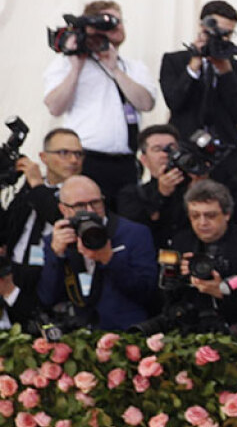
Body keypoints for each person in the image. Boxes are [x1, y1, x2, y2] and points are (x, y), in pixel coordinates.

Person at [42, 0, 156, 201]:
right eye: (110, 21)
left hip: (127, 161)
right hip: (85, 158)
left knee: (126, 220)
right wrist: (76, 68)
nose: (118, 26)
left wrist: (115, 69)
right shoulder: (66, 63)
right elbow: (55, 107)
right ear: (91, 27)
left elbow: (146, 104)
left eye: (120, 21)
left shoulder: (134, 67)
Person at [39, 174, 160, 331]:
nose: (90, 211)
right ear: (64, 209)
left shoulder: (134, 233)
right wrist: (57, 255)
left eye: (95, 203)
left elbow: (147, 292)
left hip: (125, 333)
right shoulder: (57, 240)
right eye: (80, 206)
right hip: (78, 335)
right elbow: (47, 297)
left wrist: (109, 259)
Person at [157, 0, 237, 192]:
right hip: (184, 154)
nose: (221, 38)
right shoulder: (174, 61)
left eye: (227, 34)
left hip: (225, 159)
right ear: (202, 28)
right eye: (216, 32)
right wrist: (194, 64)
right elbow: (174, 102)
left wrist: (226, 73)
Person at [159, 180, 237, 329]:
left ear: (227, 214)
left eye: (210, 216)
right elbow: (165, 297)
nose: (202, 223)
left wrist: (221, 292)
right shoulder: (180, 243)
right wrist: (177, 276)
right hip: (191, 325)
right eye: (195, 216)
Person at [2, 128, 88, 305]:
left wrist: (37, 185)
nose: (73, 160)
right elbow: (9, 224)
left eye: (79, 154)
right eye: (64, 153)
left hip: (53, 275)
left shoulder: (84, 191)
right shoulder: (31, 187)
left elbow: (60, 216)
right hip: (15, 269)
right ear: (43, 157)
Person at [114, 124, 191, 249]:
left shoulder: (193, 185)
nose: (166, 154)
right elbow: (135, 231)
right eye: (157, 149)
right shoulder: (131, 194)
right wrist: (161, 194)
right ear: (144, 159)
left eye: (172, 148)